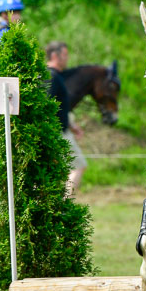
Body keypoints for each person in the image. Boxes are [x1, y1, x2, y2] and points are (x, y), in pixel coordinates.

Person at [46, 41, 87, 196]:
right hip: (58, 134)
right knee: (78, 165)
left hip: (59, 130)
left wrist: (71, 124)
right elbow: (48, 104)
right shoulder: (53, 76)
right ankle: (64, 203)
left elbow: (57, 106)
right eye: (65, 55)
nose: (67, 58)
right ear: (55, 55)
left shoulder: (50, 75)